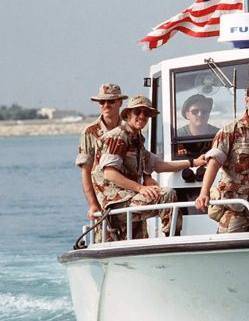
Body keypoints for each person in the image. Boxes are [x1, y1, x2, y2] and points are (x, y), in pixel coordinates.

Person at [92, 95, 206, 240]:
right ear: (127, 114)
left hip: (129, 199)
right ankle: (173, 240)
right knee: (167, 194)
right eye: (137, 112)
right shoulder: (119, 137)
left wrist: (193, 163)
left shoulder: (136, 139)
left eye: (146, 113)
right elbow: (109, 174)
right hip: (116, 204)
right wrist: (141, 188)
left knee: (139, 241)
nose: (142, 116)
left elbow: (157, 165)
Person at [195, 79, 249, 233]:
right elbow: (214, 163)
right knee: (229, 253)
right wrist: (203, 193)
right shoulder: (230, 131)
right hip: (237, 208)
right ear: (247, 100)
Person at [75, 83, 129, 221]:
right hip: (104, 203)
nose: (106, 105)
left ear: (120, 102)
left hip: (130, 198)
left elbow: (142, 160)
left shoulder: (130, 130)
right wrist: (92, 205)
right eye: (102, 101)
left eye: (111, 101)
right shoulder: (90, 133)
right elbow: (86, 171)